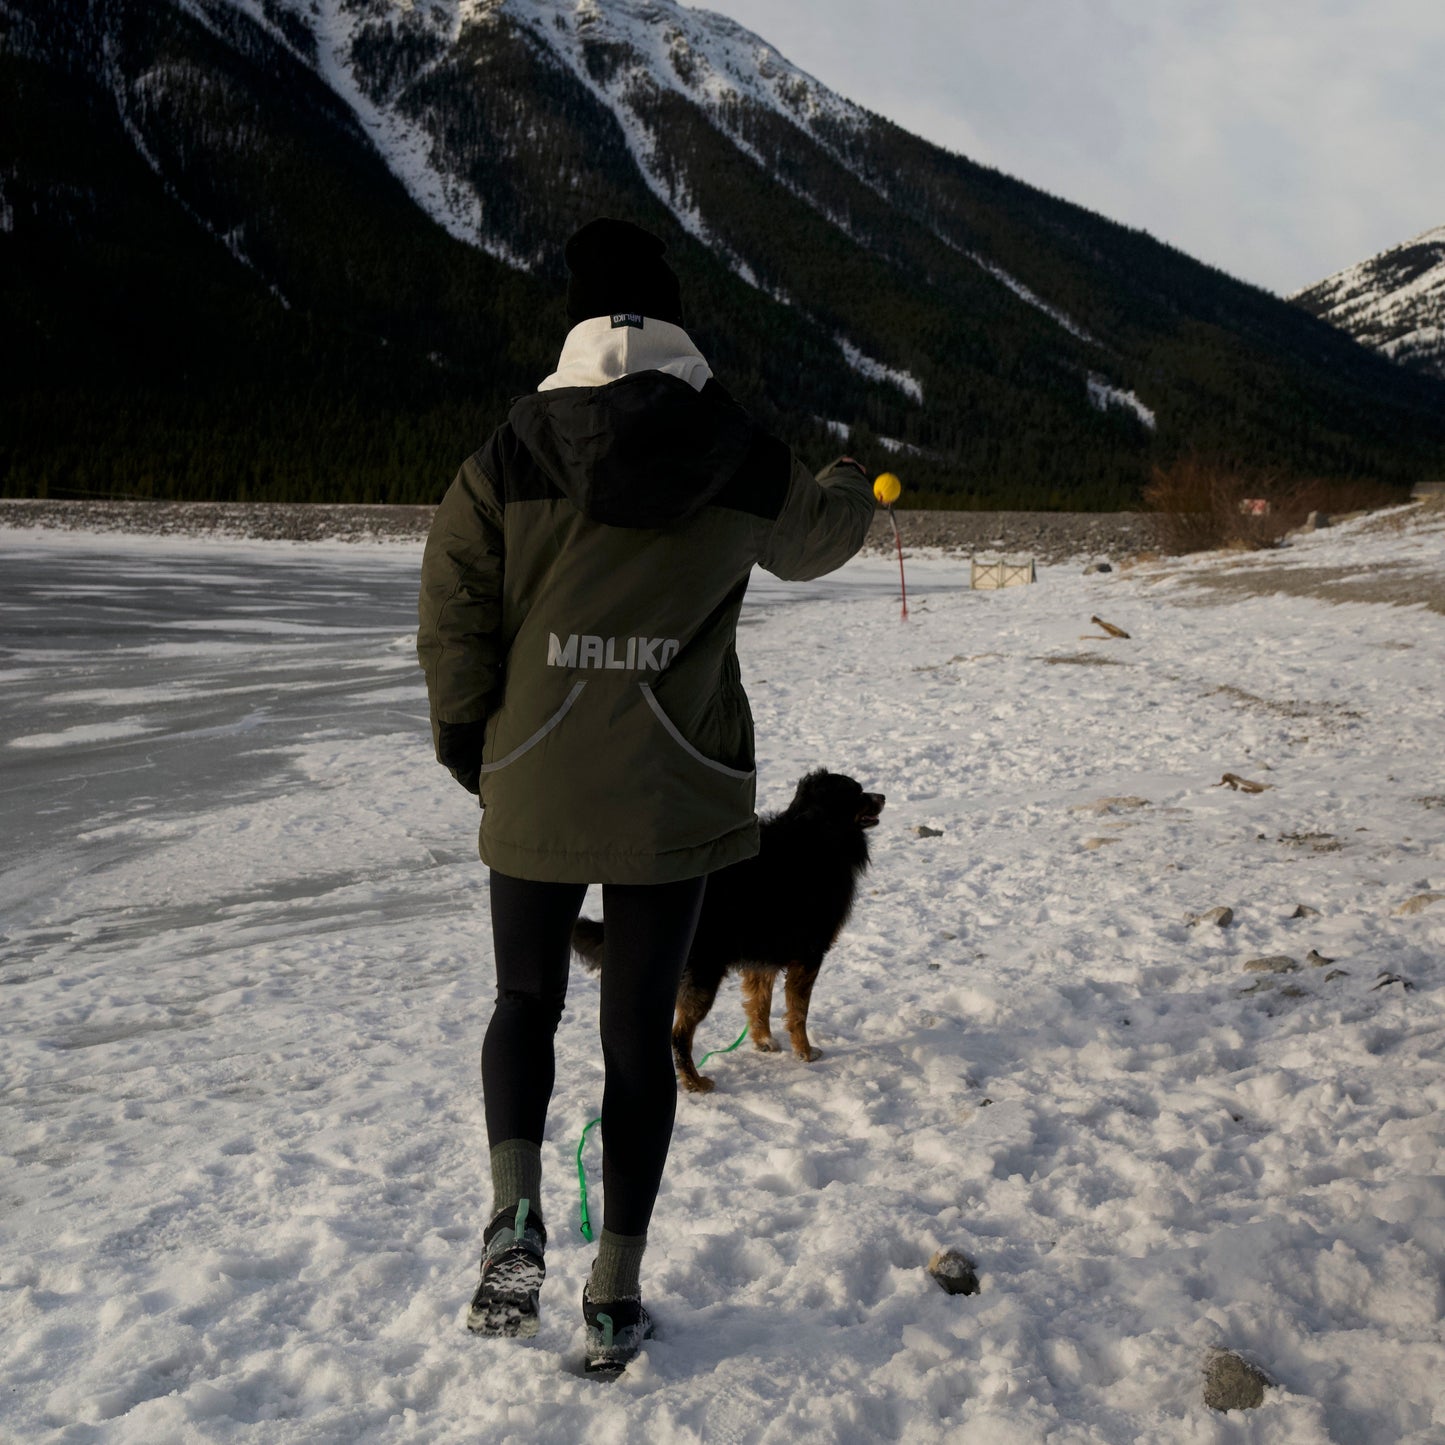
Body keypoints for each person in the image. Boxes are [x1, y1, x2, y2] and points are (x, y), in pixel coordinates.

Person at [417, 216, 875, 1373]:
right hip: (671, 793)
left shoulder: (505, 451)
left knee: (524, 1000)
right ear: (673, 322)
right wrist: (844, 478)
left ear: (574, 326)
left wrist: (473, 742)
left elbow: (453, 603)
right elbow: (818, 542)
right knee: (634, 1043)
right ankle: (612, 1289)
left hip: (531, 770)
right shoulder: (735, 446)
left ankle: (513, 1215)